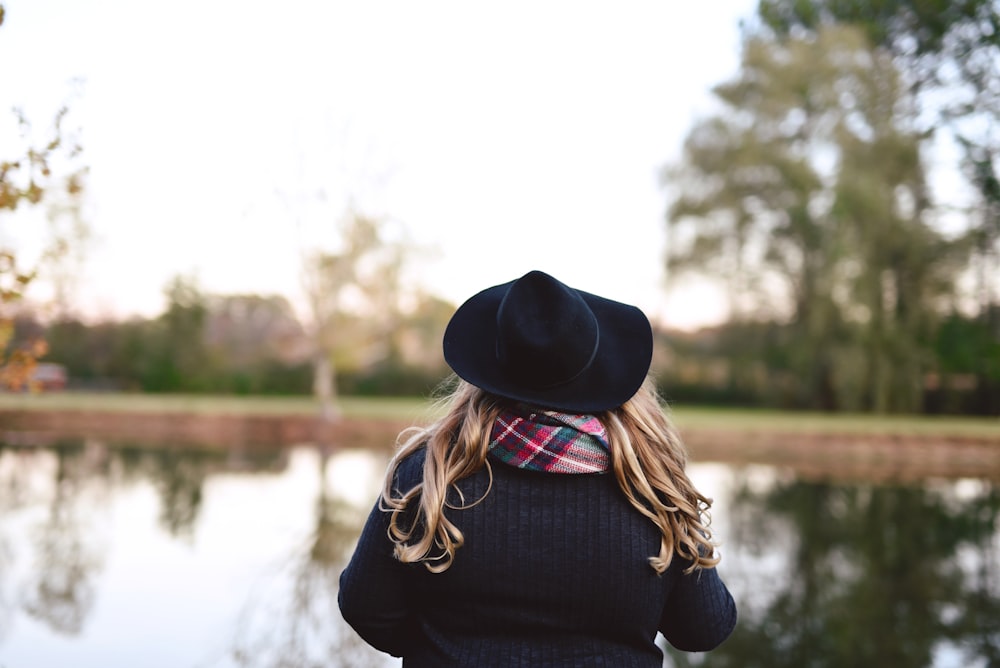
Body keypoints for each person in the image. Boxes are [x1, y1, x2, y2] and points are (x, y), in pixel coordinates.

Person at [338, 269, 737, 667]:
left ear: (489, 372)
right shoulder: (654, 487)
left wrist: (447, 650)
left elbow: (365, 608)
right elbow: (703, 628)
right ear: (604, 375)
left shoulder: (428, 473)